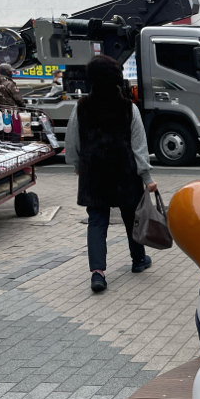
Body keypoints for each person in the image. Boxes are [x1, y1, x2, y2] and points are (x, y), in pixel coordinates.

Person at [65, 55, 157, 294]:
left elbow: (72, 141)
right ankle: (138, 259)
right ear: (117, 79)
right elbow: (139, 147)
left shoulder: (81, 107)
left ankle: (98, 273)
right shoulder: (129, 108)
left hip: (93, 173)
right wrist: (147, 177)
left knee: (97, 221)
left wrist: (76, 164)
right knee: (131, 216)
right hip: (125, 173)